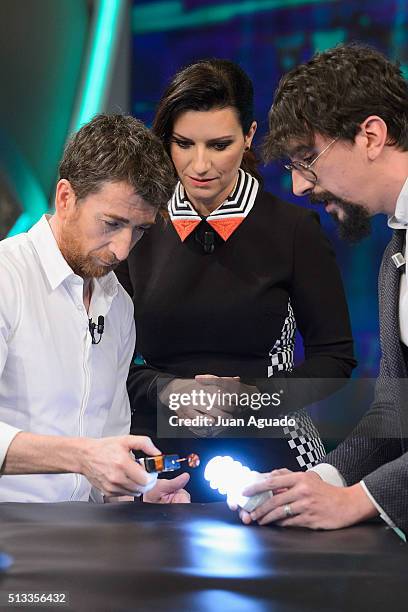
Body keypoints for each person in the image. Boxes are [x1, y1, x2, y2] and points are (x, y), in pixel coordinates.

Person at [116, 59, 356, 502]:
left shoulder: (293, 230)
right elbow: (111, 362)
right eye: (184, 144)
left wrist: (252, 399)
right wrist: (169, 390)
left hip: (271, 451)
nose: (200, 164)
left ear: (248, 136)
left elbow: (335, 357)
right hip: (157, 459)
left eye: (219, 144)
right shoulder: (139, 227)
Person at [234, 43, 408, 541]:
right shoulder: (394, 255)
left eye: (307, 159)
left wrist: (359, 499)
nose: (297, 186)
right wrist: (319, 481)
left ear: (371, 136)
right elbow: (397, 407)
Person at [0, 113, 190, 504]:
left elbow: (108, 450)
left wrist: (137, 493)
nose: (123, 249)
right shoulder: (7, 278)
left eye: (139, 230)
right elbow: (92, 457)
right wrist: (83, 457)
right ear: (66, 198)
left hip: (86, 540)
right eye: (111, 223)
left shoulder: (118, 305)